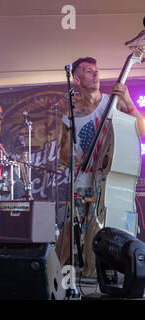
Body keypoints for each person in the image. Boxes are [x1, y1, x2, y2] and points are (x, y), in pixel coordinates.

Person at [56, 57, 145, 276]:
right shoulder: (71, 113)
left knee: (101, 229)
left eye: (97, 70)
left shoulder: (113, 102)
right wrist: (73, 155)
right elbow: (64, 154)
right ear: (76, 79)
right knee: (70, 226)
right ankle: (52, 273)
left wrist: (128, 101)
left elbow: (141, 130)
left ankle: (95, 275)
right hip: (83, 177)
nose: (96, 74)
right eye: (88, 71)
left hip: (110, 178)